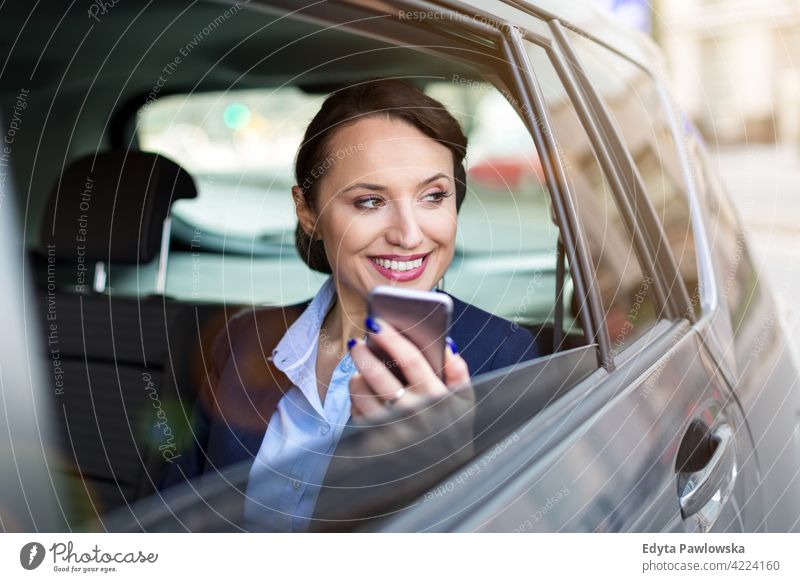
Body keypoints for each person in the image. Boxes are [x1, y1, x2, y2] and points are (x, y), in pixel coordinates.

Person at [158, 79, 540, 531]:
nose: (410, 234)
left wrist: (449, 475)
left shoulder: (505, 357)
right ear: (308, 213)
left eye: (434, 196)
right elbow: (173, 513)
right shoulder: (241, 339)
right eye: (370, 201)